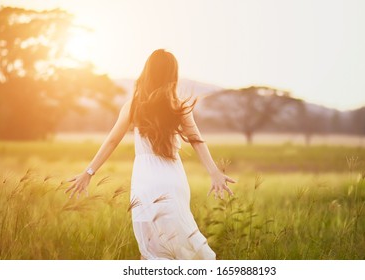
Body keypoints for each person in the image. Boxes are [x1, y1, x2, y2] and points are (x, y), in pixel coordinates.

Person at [65, 49, 237, 260]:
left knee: (149, 249)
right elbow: (196, 141)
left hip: (146, 181)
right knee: (180, 241)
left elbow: (111, 141)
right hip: (173, 180)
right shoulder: (179, 106)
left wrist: (89, 172)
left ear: (147, 73)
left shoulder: (134, 106)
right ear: (173, 75)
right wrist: (214, 172)